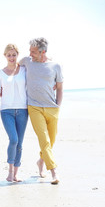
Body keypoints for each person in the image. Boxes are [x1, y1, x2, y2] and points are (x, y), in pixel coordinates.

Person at [19, 37, 63, 185]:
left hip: (52, 108)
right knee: (44, 140)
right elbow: (13, 68)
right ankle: (54, 172)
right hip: (34, 107)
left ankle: (41, 161)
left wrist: (58, 106)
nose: (30, 54)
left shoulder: (55, 66)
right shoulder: (26, 61)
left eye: (33, 51)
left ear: (42, 51)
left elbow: (60, 87)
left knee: (51, 141)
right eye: (30, 51)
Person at [0, 44, 28, 182]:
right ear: (5, 56)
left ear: (17, 55)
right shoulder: (0, 73)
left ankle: (16, 174)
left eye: (14, 55)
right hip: (6, 110)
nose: (11, 57)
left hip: (23, 110)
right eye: (9, 55)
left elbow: (35, 81)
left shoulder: (24, 70)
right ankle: (10, 171)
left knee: (20, 143)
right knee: (13, 139)